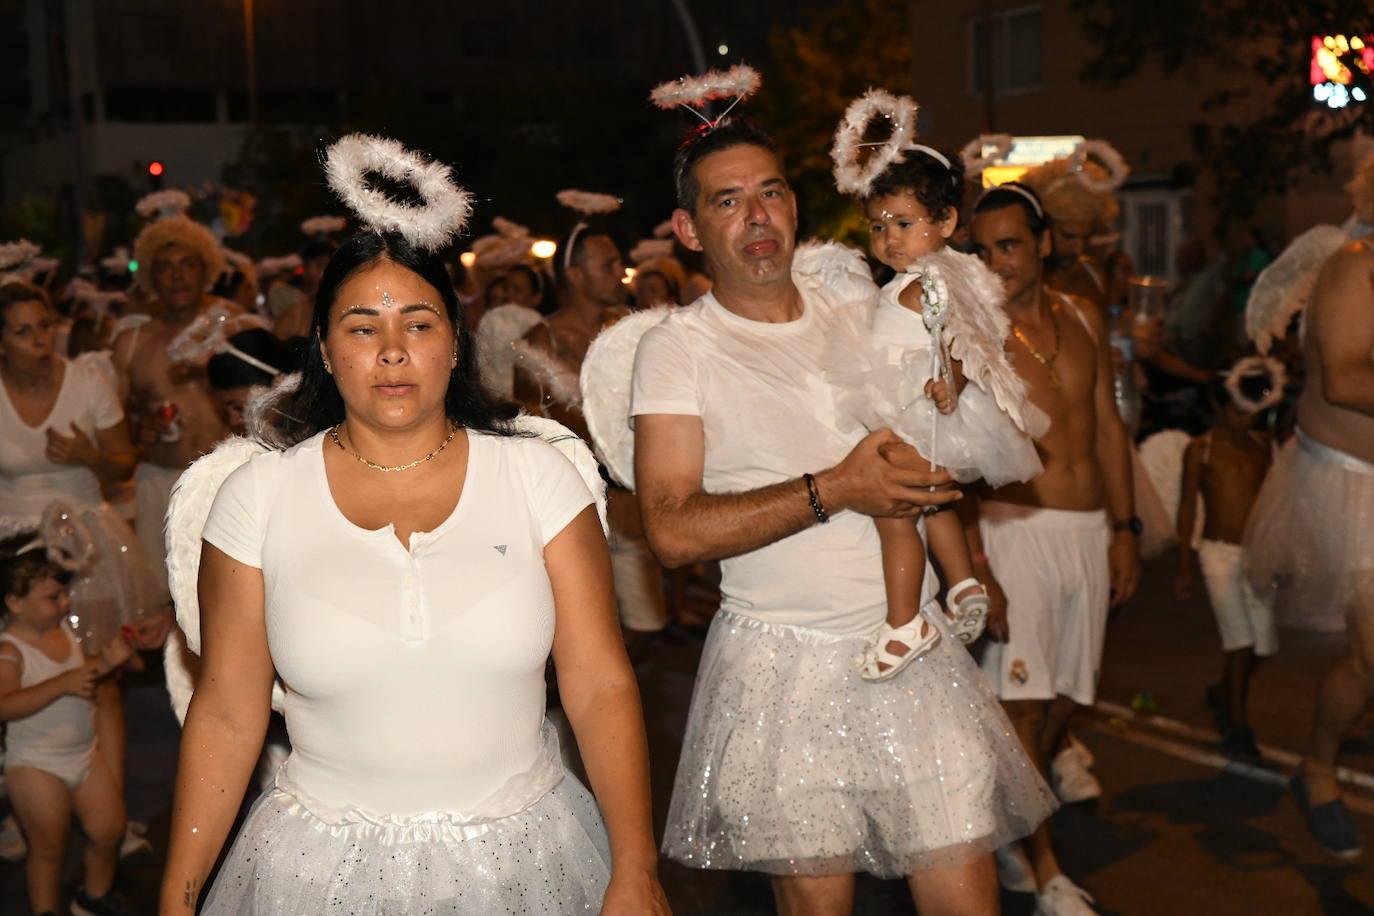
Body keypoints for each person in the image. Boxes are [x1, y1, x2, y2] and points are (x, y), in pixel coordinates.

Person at [158, 221, 668, 914]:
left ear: (455, 343)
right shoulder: (258, 498)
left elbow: (601, 685)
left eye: (419, 325)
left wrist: (635, 867)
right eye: (363, 329)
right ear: (327, 352)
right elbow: (225, 713)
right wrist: (178, 899)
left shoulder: (537, 477)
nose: (393, 353)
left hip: (525, 861)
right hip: (319, 874)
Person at [637, 117, 1055, 916]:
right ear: (690, 229)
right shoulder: (678, 348)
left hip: (915, 647)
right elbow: (670, 529)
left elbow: (936, 409)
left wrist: (951, 494)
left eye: (771, 192)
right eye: (728, 201)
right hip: (784, 668)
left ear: (795, 206)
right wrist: (837, 487)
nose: (757, 216)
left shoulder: (857, 298)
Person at [965, 182, 1139, 914]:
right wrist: (978, 566)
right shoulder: (972, 334)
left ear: (1042, 245)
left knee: (1067, 697)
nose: (995, 261)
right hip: (1016, 532)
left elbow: (1107, 429)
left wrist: (1125, 530)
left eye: (1008, 244)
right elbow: (959, 460)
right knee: (1027, 709)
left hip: (1088, 530)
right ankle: (1045, 872)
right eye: (981, 248)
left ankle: (1005, 817)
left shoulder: (1081, 315)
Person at [828, 134, 1045, 677]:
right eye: (879, 226)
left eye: (904, 223)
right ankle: (965, 582)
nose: (889, 239)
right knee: (933, 504)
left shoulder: (929, 283)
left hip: (914, 412)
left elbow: (958, 341)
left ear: (945, 222)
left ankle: (906, 622)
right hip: (911, 410)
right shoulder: (922, 277)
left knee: (894, 514)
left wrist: (950, 381)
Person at [1244, 228, 1374, 859]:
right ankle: (1316, 770)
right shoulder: (1357, 266)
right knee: (1373, 654)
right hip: (1349, 486)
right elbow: (1346, 381)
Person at [514, 227, 670, 647]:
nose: (621, 273)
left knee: (645, 630)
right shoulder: (539, 344)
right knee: (580, 637)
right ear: (576, 275)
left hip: (631, 505)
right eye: (609, 264)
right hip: (572, 510)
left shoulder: (633, 334)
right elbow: (526, 433)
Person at [111, 213, 240, 610]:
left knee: (231, 599)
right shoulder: (133, 342)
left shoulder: (236, 330)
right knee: (165, 604)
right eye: (165, 268)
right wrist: (141, 429)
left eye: (188, 264)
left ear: (207, 271)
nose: (177, 276)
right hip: (158, 485)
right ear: (151, 279)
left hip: (228, 482)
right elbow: (114, 427)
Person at [0, 547, 134, 916]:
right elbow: (5, 704)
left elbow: (79, 675)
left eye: (64, 594)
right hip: (34, 766)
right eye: (53, 597)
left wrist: (104, 663)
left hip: (83, 755)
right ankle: (45, 910)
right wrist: (62, 684)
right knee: (49, 847)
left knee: (110, 829)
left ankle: (93, 897)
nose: (65, 602)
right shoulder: (9, 651)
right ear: (15, 602)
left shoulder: (62, 632)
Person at [1175, 359, 1279, 763]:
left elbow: (1273, 506)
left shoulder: (1262, 448)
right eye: (1238, 410)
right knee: (1240, 642)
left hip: (1256, 554)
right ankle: (1238, 726)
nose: (1245, 418)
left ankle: (1221, 693)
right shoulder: (1200, 450)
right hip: (1218, 552)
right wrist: (1184, 565)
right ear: (1221, 407)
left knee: (1262, 647)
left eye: (1250, 411)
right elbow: (1187, 509)